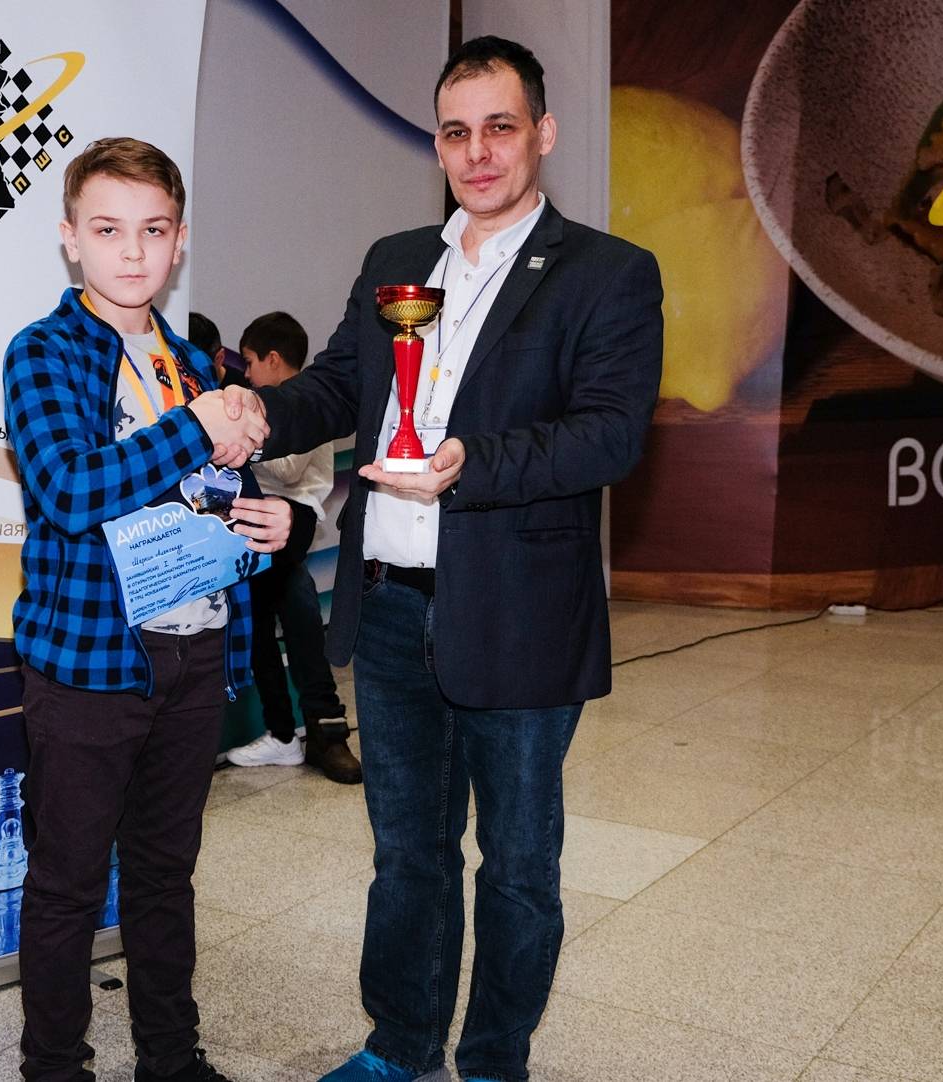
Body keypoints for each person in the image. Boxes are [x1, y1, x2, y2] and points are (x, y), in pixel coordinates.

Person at [225, 37, 663, 1082]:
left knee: (517, 865)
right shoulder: (397, 259)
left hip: (519, 611)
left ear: (542, 133)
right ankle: (400, 1042)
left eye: (500, 127)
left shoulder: (607, 272)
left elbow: (610, 434)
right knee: (407, 854)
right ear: (437, 144)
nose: (479, 152)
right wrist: (259, 411)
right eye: (457, 132)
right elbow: (340, 388)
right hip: (387, 608)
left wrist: (473, 463)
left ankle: (495, 1058)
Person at [3, 137, 290, 1082]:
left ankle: (171, 1058)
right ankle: (55, 1069)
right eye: (108, 229)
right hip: (90, 661)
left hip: (196, 651)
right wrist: (193, 427)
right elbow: (69, 491)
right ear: (70, 239)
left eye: (153, 230)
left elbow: (209, 504)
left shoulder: (196, 364)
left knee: (166, 874)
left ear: (180, 240)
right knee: (69, 884)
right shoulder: (43, 352)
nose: (132, 251)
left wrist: (266, 524)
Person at [223, 312, 360, 784]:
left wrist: (237, 443)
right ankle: (291, 732)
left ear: (273, 359)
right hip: (264, 523)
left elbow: (287, 470)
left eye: (249, 362)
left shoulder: (301, 403)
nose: (246, 374)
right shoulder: (288, 400)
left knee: (297, 623)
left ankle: (320, 729)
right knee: (262, 626)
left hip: (291, 522)